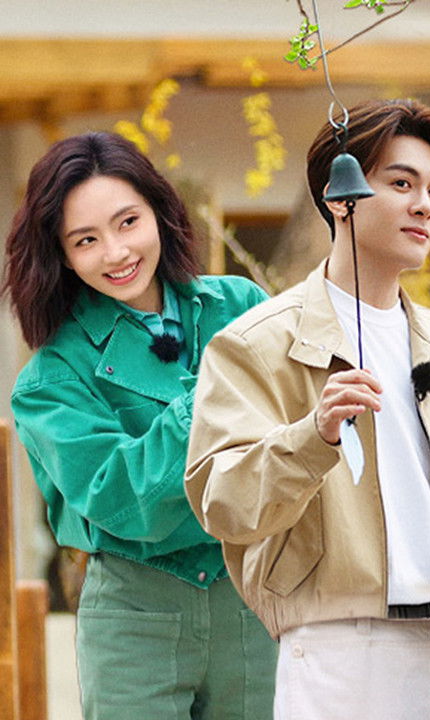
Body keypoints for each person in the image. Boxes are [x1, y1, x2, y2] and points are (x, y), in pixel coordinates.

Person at [184, 99, 430, 720]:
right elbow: (221, 500)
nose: (425, 206)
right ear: (340, 198)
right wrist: (312, 437)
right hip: (336, 643)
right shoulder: (256, 344)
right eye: (401, 184)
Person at [4, 132, 274, 719]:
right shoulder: (49, 379)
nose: (116, 252)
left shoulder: (242, 306)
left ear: (160, 212)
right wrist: (209, 395)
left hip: (251, 600)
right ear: (61, 255)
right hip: (134, 615)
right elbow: (124, 502)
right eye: (86, 240)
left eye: (128, 222)